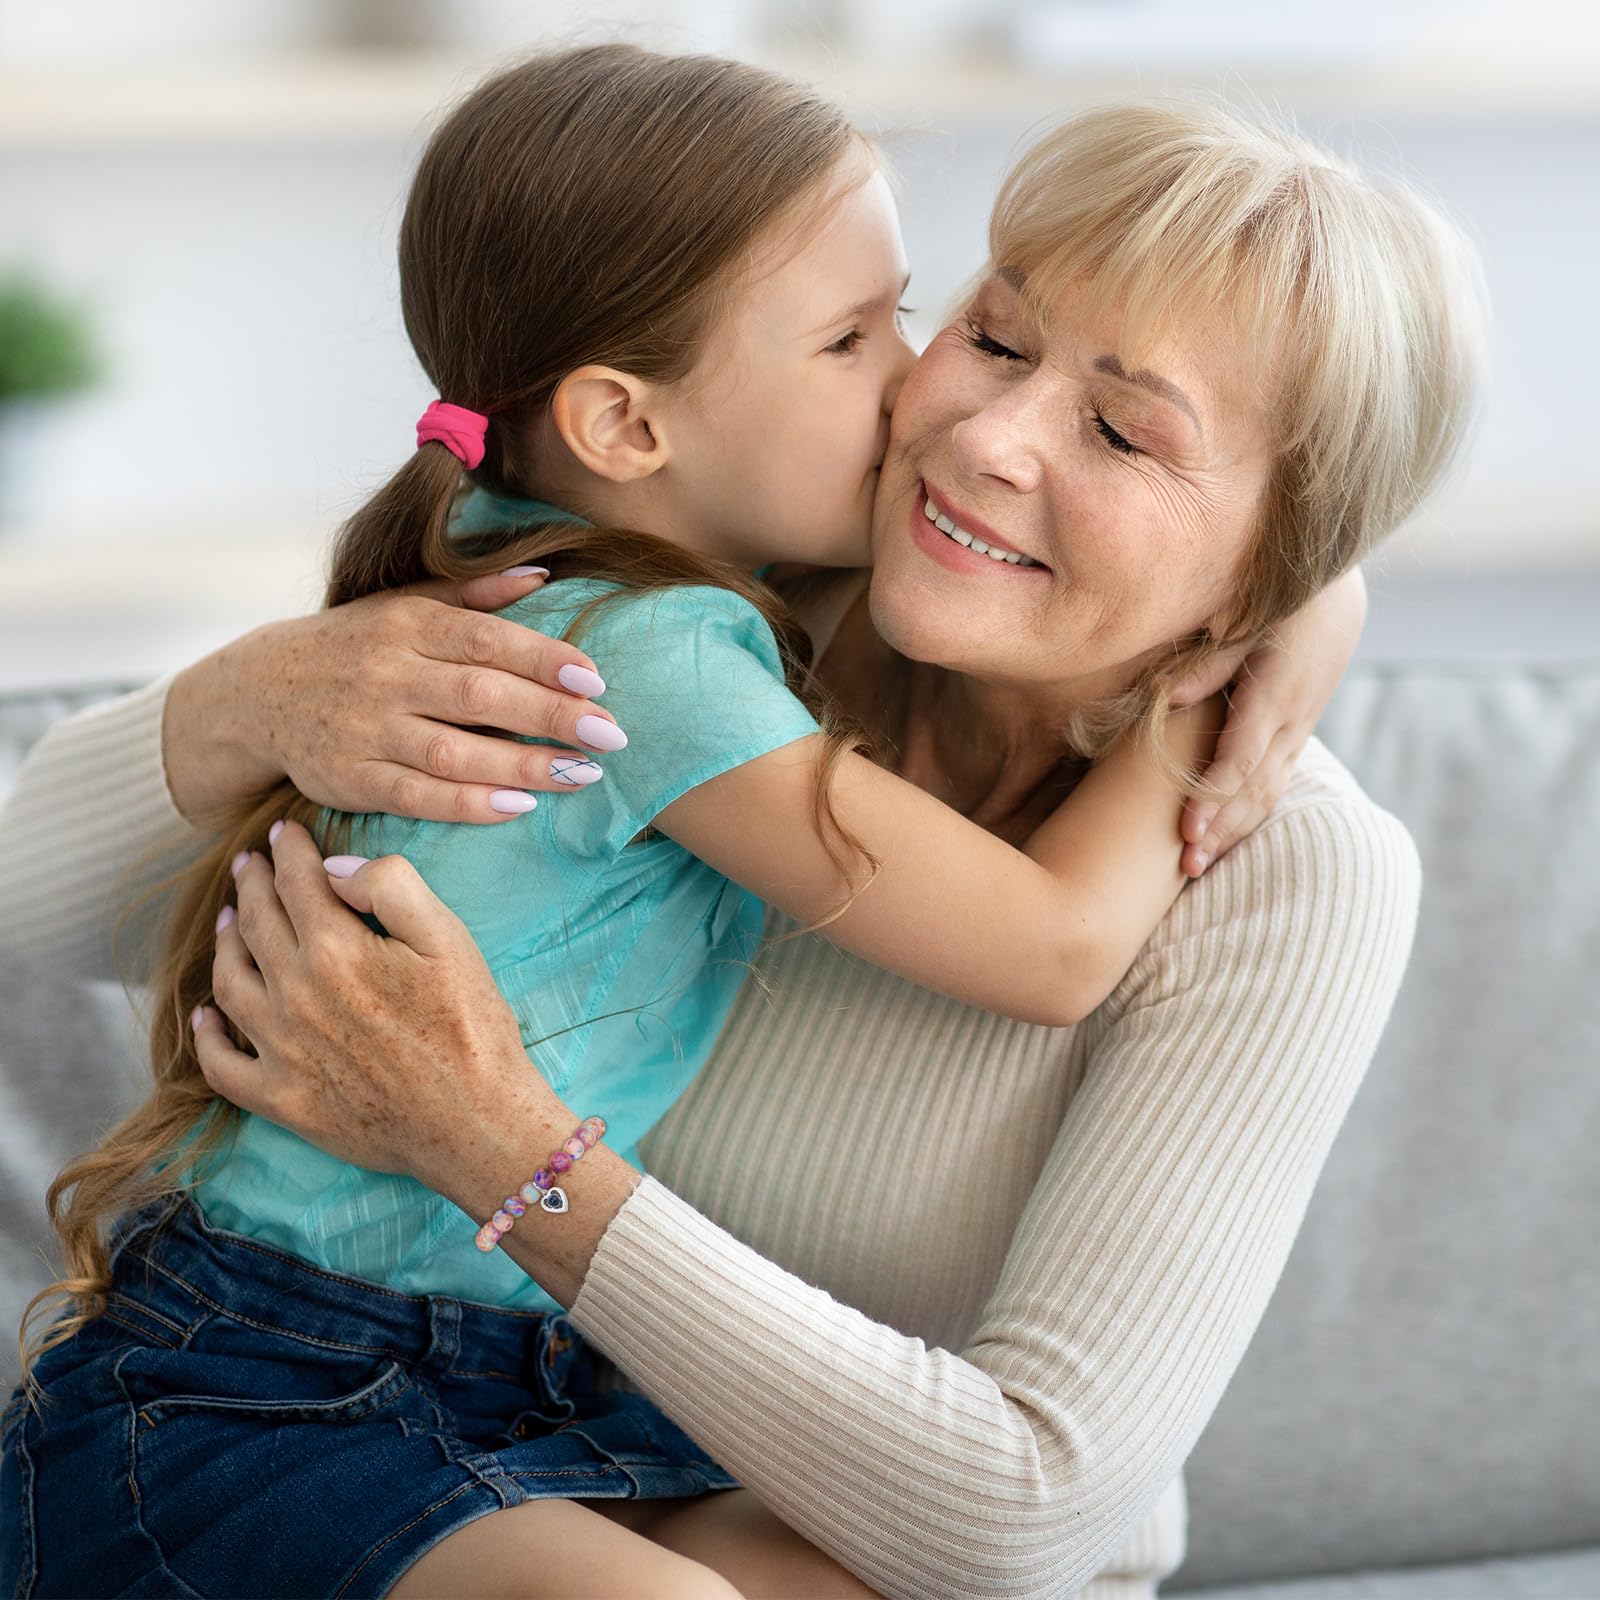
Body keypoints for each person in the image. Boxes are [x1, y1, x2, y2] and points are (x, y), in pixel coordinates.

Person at [0, 87, 1482, 1600]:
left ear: (1269, 562)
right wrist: (258, 698)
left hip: (758, 1510)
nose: (981, 433)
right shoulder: (737, 634)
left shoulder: (1290, 875)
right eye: (994, 335)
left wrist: (501, 1149)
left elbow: (1019, 1519)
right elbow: (28, 908)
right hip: (392, 1415)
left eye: (1118, 429)